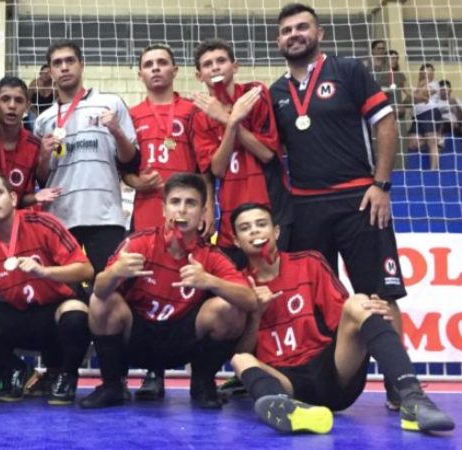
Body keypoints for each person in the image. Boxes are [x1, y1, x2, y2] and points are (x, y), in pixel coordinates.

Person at [269, 3, 410, 410]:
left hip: (359, 200)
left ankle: (399, 385)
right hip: (306, 207)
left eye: (302, 27)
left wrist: (381, 184)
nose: (294, 35)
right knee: (313, 302)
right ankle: (321, 382)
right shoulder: (276, 92)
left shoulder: (349, 72)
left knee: (380, 294)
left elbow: (385, 123)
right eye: (287, 31)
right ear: (278, 41)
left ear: (320, 33)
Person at [228, 202, 455, 434]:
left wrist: (369, 314)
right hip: (286, 383)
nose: (255, 231)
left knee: (358, 302)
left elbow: (344, 317)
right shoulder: (239, 287)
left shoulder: (309, 262)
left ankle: (413, 399)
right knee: (240, 359)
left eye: (261, 224)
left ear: (275, 231)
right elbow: (244, 349)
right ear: (236, 240)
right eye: (246, 228)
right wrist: (256, 313)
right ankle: (291, 412)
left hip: (332, 373)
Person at [80, 173, 256, 410]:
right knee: (102, 301)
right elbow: (99, 291)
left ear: (204, 212)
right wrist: (115, 273)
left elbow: (250, 301)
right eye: (175, 202)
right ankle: (112, 385)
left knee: (230, 308)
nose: (182, 210)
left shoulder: (211, 255)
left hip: (183, 340)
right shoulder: (140, 243)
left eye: (190, 203)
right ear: (164, 209)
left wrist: (210, 281)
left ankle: (203, 384)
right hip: (138, 336)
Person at [0, 169, 94, 405]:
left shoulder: (43, 223)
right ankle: (15, 369)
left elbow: (86, 270)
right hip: (18, 318)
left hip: (55, 316)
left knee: (76, 312)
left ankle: (67, 376)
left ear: (13, 198)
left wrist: (45, 272)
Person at [34, 40, 138, 275]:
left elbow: (130, 160)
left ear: (82, 65)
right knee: (65, 293)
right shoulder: (44, 120)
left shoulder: (111, 104)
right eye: (57, 63)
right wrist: (43, 156)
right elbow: (41, 178)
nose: (64, 67)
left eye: (70, 61)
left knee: (109, 289)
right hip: (59, 218)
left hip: (104, 216)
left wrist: (116, 131)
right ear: (50, 72)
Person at [191, 37, 292, 267]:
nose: (215, 67)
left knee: (276, 279)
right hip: (231, 213)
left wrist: (227, 119)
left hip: (273, 206)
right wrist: (231, 122)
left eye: (221, 61)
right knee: (236, 288)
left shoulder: (255, 94)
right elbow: (217, 168)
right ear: (199, 76)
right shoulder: (199, 116)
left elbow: (267, 154)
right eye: (207, 64)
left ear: (235, 66)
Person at [126, 44, 213, 235]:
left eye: (162, 63)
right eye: (148, 64)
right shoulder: (131, 115)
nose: (155, 68)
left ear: (174, 71)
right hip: (147, 206)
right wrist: (137, 182)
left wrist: (208, 208)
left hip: (187, 205)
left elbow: (204, 166)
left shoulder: (193, 110)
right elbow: (124, 169)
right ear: (140, 75)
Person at [0, 76, 58, 237]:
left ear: (27, 106)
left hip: (12, 234)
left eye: (19, 101)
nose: (12, 106)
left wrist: (35, 197)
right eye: (5, 99)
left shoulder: (34, 146)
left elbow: (20, 199)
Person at [408, 63, 443, 169]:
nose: (429, 74)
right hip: (417, 116)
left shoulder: (434, 84)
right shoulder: (418, 85)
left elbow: (420, 97)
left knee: (431, 143)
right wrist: (414, 92)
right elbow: (410, 101)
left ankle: (434, 170)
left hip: (430, 113)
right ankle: (438, 141)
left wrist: (406, 91)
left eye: (431, 72)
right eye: (426, 72)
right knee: (411, 143)